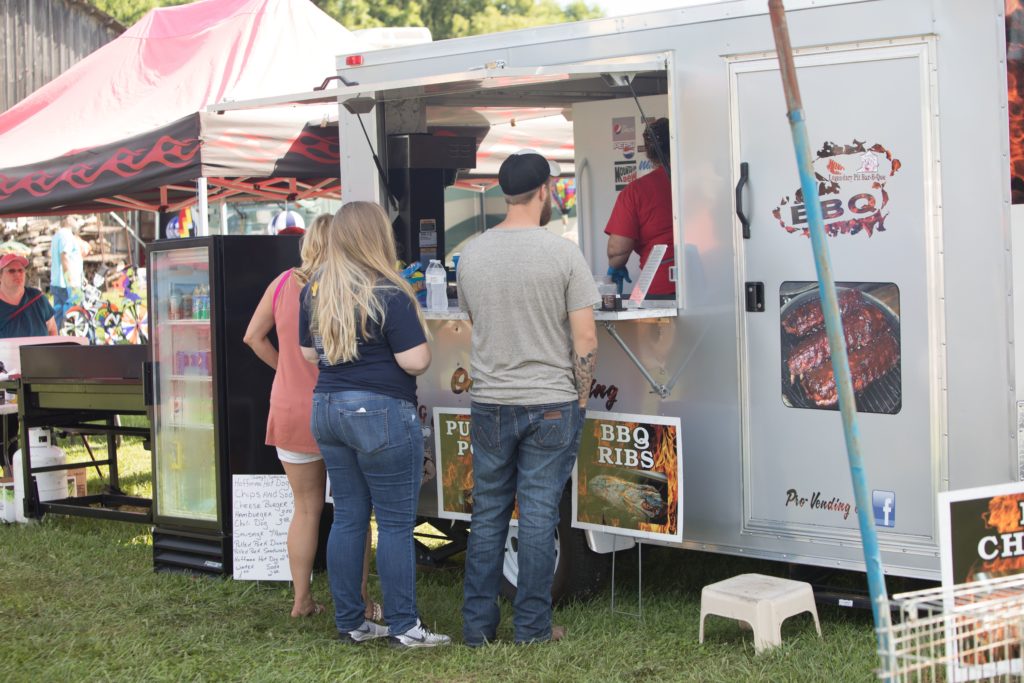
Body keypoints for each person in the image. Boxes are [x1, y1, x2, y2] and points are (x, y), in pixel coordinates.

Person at [457, 150, 599, 645]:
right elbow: (585, 339)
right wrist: (580, 400)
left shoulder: (471, 254)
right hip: (551, 401)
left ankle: (476, 628)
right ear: (544, 191)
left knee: (489, 513)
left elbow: (475, 323)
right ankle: (533, 628)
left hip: (491, 400)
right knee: (539, 515)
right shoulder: (563, 254)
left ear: (504, 193)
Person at [298, 201, 450, 648]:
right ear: (378, 236)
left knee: (347, 517)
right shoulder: (390, 290)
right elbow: (416, 360)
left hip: (326, 407)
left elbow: (309, 354)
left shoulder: (316, 288)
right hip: (380, 412)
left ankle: (352, 622)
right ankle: (404, 626)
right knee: (396, 523)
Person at [244, 216, 382, 621]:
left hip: (288, 406)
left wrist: (284, 367)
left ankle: (301, 600)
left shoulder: (283, 282)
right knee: (354, 510)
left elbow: (252, 336)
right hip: (339, 406)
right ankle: (358, 600)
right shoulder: (344, 285)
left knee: (305, 509)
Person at [604, 117, 675, 298]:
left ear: (648, 153)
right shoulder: (704, 180)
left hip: (660, 286)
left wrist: (615, 266)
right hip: (710, 283)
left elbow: (617, 250)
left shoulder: (636, 191)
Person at [0, 253, 56, 338]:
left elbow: (52, 330)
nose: (18, 274)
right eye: (11, 271)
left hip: (39, 351)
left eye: (21, 270)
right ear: (0, 276)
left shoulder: (38, 298)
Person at [50, 215, 90, 330]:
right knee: (73, 317)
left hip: (57, 282)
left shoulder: (57, 236)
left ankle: (57, 342)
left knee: (58, 317)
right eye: (75, 218)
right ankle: (71, 344)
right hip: (68, 284)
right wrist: (70, 281)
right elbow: (65, 257)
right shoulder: (66, 236)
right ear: (67, 219)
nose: (77, 221)